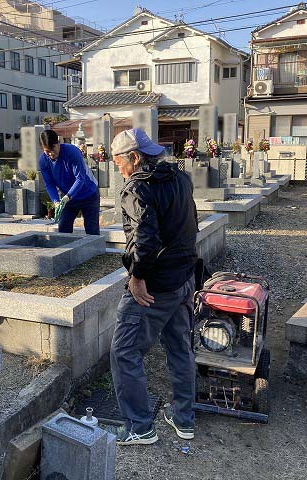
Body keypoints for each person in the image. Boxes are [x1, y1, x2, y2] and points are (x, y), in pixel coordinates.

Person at [107, 128, 199, 446]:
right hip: (184, 279)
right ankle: (184, 418)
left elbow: (144, 240)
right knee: (179, 348)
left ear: (134, 157)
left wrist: (137, 276)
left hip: (154, 286)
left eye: (118, 161)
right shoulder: (180, 179)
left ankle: (139, 426)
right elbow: (191, 226)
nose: (116, 167)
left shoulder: (138, 189)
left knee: (125, 351)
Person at [38, 130, 100, 235]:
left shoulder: (72, 152)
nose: (51, 154)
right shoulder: (43, 161)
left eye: (53, 148)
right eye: (47, 151)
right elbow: (49, 184)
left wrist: (67, 197)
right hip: (68, 199)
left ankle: (96, 251)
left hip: (89, 193)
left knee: (92, 230)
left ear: (58, 143)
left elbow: (80, 178)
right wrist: (56, 202)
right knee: (63, 228)